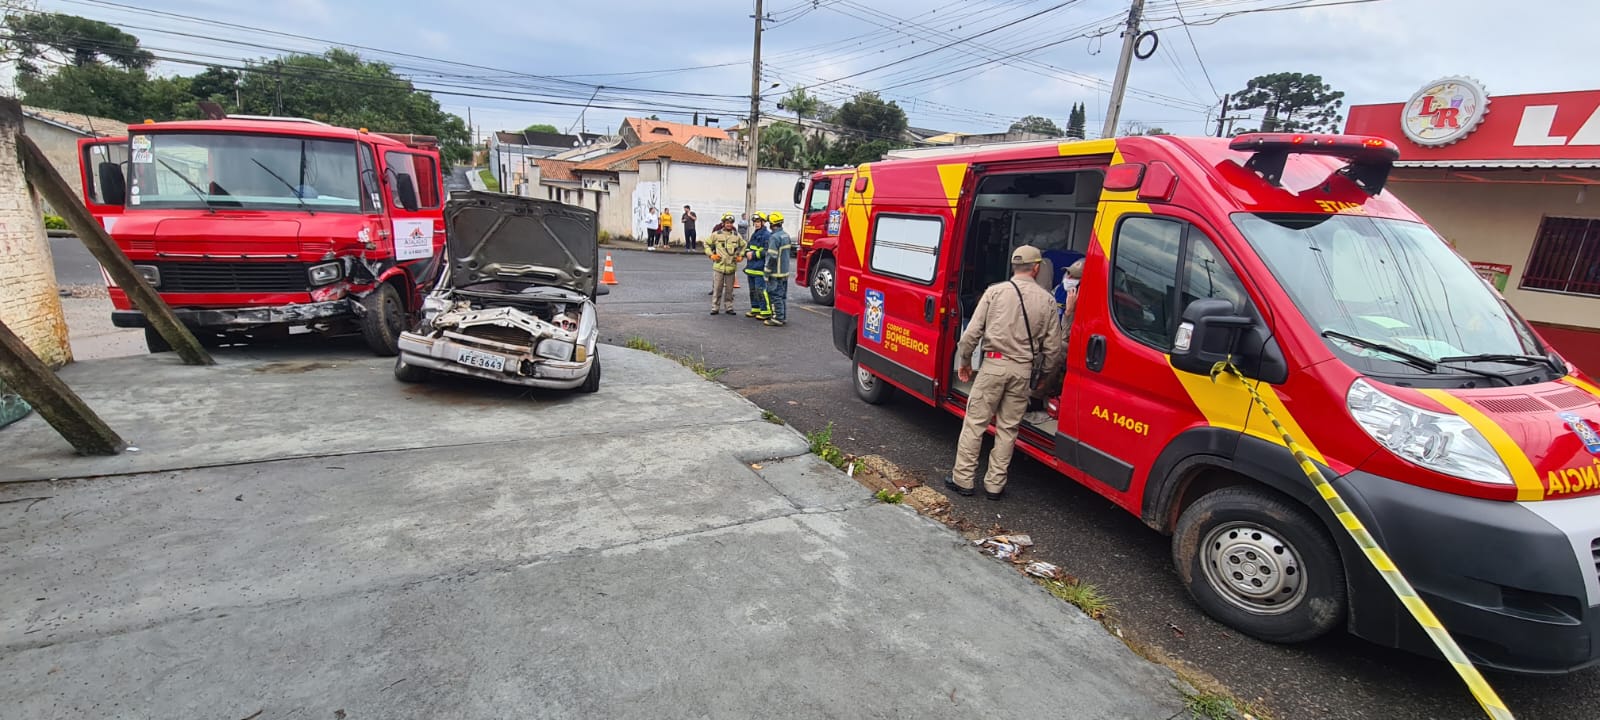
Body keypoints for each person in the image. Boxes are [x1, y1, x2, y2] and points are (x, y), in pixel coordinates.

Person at [945, 245, 1065, 500]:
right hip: (1022, 371)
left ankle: (963, 480)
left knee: (975, 423)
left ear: (1014, 266)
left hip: (993, 366)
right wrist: (1043, 377)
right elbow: (1053, 350)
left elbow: (970, 336)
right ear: (1036, 268)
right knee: (1008, 429)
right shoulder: (1047, 301)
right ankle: (995, 486)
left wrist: (965, 361)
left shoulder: (994, 293)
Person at [705, 213, 745, 315]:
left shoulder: (736, 236)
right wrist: (711, 255)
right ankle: (715, 307)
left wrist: (741, 255)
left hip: (731, 267)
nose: (729, 225)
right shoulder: (716, 235)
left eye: (731, 223)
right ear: (723, 223)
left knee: (729, 290)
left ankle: (729, 307)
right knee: (717, 288)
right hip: (719, 266)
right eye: (727, 223)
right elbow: (706, 244)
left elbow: (744, 245)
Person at [762, 212, 795, 327]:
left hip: (775, 273)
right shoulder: (785, 235)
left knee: (775, 295)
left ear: (772, 224)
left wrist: (766, 272)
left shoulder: (774, 237)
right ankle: (782, 316)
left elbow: (772, 256)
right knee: (782, 296)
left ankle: (777, 318)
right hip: (784, 272)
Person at [744, 213, 772, 319]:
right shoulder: (755, 234)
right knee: (753, 291)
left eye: (758, 222)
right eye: (755, 222)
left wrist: (754, 254)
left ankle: (765, 311)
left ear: (763, 222)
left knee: (761, 290)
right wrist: (747, 252)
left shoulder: (767, 235)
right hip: (751, 268)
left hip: (759, 268)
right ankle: (755, 309)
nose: (756, 224)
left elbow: (766, 251)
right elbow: (749, 246)